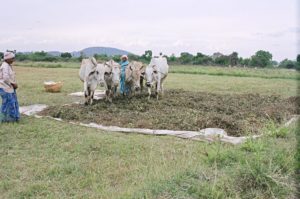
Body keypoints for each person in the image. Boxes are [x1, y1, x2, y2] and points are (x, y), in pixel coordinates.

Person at [0, 51, 20, 123]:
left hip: (9, 88)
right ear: (7, 59)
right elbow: (5, 78)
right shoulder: (5, 66)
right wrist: (13, 84)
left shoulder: (8, 65)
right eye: (12, 58)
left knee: (11, 102)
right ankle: (7, 119)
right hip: (5, 88)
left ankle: (12, 118)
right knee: (8, 103)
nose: (13, 60)